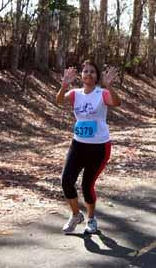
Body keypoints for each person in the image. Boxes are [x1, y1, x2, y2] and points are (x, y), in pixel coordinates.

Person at [55, 60, 121, 234]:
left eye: (92, 71)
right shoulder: (75, 93)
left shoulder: (102, 93)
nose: (88, 74)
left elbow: (116, 103)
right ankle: (76, 215)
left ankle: (91, 219)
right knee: (66, 181)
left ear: (97, 76)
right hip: (78, 145)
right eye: (85, 71)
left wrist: (109, 86)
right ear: (81, 75)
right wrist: (64, 85)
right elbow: (59, 101)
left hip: (99, 147)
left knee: (86, 186)